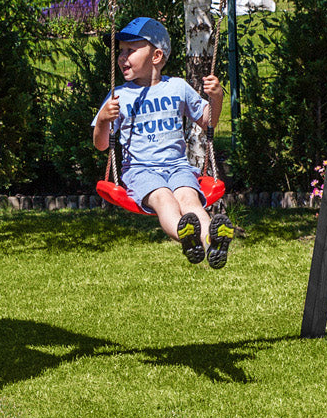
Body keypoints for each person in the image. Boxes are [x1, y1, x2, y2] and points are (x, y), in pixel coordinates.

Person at [92, 17, 234, 269]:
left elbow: (207, 122)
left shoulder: (177, 87)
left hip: (179, 167)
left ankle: (213, 243)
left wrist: (217, 96)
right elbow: (102, 145)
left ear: (156, 56)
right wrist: (103, 119)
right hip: (140, 171)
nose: (122, 57)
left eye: (130, 51)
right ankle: (186, 238)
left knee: (190, 200)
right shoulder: (119, 96)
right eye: (120, 51)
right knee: (164, 199)